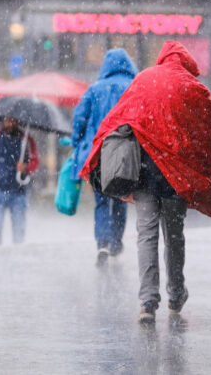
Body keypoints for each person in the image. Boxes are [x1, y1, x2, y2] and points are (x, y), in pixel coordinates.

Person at [78, 40, 211, 324]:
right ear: (186, 62)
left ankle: (147, 302)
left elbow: (117, 119)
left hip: (145, 172)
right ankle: (175, 294)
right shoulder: (193, 87)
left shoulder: (144, 79)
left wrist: (93, 155)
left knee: (146, 234)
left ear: (162, 58)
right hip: (176, 175)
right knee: (174, 236)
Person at [71, 48, 138, 266]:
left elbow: (79, 120)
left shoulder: (94, 89)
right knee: (121, 198)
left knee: (101, 201)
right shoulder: (134, 88)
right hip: (125, 153)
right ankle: (116, 242)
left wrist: (77, 143)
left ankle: (102, 242)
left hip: (97, 154)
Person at [0, 117, 39, 246]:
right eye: (7, 121)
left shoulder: (26, 140)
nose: (10, 124)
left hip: (19, 192)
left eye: (13, 121)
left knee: (19, 230)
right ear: (2, 121)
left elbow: (35, 161)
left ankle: (17, 254)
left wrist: (26, 168)